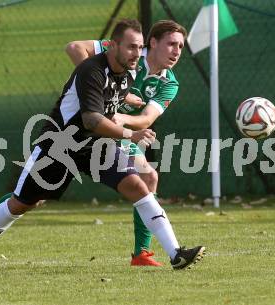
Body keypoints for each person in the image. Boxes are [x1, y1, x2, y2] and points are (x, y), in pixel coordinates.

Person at [0, 19, 205, 275]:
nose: (137, 54)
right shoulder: (93, 69)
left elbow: (140, 117)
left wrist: (125, 119)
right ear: (113, 46)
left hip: (99, 144)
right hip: (61, 144)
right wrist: (129, 131)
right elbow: (92, 119)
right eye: (132, 48)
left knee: (140, 183)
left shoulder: (132, 74)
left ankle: (174, 254)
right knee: (22, 203)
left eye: (139, 49)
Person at [65, 20, 187, 266]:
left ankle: (142, 253)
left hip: (116, 134)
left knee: (149, 177)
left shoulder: (168, 84)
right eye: (171, 44)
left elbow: (145, 120)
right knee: (34, 195)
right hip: (77, 127)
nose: (176, 51)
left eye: (181, 46)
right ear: (152, 43)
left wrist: (120, 117)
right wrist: (100, 85)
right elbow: (74, 47)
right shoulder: (128, 51)